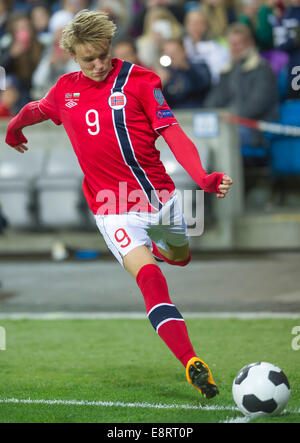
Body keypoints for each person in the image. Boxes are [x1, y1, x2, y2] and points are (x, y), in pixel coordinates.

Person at [5, 9, 233, 399]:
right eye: (88, 57)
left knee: (179, 257)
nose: (98, 64)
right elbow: (35, 108)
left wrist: (203, 178)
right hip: (112, 207)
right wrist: (14, 127)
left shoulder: (141, 81)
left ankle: (169, 250)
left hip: (159, 200)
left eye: (103, 54)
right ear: (72, 55)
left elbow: (175, 134)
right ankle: (192, 361)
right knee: (150, 278)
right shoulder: (65, 89)